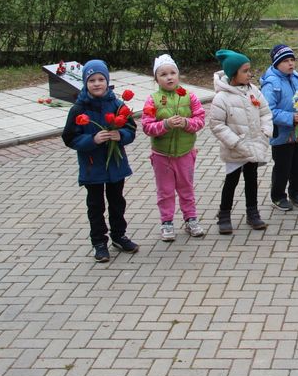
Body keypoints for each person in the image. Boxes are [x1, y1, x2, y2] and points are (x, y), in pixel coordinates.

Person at [61, 59, 139, 262]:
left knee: (117, 202)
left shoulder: (117, 105)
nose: (97, 84)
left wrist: (120, 135)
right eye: (92, 80)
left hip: (115, 165)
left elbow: (131, 130)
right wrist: (92, 139)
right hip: (92, 167)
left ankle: (119, 236)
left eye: (101, 79)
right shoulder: (79, 109)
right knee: (95, 206)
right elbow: (69, 137)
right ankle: (99, 242)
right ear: (85, 83)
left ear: (107, 81)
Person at [140, 54, 207, 242]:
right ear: (156, 79)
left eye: (172, 73)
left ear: (178, 75)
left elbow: (200, 120)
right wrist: (165, 125)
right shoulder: (152, 100)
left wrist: (186, 122)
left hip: (185, 153)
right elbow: (147, 126)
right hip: (162, 155)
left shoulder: (189, 96)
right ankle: (167, 222)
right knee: (165, 191)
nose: (169, 77)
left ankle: (191, 218)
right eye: (163, 74)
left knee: (186, 188)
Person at [208, 49, 273, 234]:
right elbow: (217, 124)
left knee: (252, 180)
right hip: (235, 148)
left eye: (249, 70)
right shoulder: (221, 97)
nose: (249, 74)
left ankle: (252, 213)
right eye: (245, 71)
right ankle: (224, 214)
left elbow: (265, 113)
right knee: (232, 181)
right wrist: (235, 142)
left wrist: (265, 132)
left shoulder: (254, 91)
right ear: (233, 73)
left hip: (254, 145)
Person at [260, 44, 298, 212]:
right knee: (283, 167)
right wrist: (290, 117)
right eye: (285, 61)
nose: (290, 64)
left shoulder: (295, 77)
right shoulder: (271, 83)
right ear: (276, 63)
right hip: (282, 135)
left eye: (292, 60)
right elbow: (268, 110)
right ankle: (278, 196)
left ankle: (296, 192)